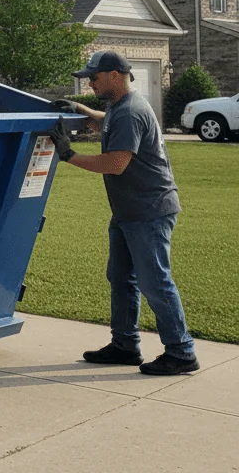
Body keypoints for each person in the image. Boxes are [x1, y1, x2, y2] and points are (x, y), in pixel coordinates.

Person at [51, 50, 198, 376]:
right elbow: (106, 121)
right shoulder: (122, 106)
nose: (90, 83)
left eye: (94, 77)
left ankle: (182, 351)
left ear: (115, 75)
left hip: (149, 211)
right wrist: (80, 110)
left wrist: (69, 155)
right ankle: (125, 345)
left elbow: (116, 163)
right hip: (128, 211)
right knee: (120, 277)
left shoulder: (130, 112)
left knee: (155, 282)